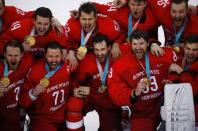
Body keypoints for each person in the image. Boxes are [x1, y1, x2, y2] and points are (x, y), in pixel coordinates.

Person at [107, 29, 178, 131]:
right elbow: (115, 89)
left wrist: (173, 81)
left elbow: (179, 69)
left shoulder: (161, 54)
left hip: (166, 106)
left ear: (148, 43)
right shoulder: (121, 64)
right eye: (135, 44)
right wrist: (133, 93)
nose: (138, 47)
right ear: (130, 44)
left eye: (141, 43)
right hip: (141, 113)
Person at [70, 34, 122, 131]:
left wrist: (152, 44)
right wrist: (74, 90)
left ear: (109, 47)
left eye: (103, 49)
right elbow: (76, 81)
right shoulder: (87, 60)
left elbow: (137, 45)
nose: (99, 53)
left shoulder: (116, 55)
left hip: (109, 100)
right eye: (96, 50)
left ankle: (122, 117)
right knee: (73, 105)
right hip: (91, 97)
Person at [19, 41, 75, 131]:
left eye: (57, 56)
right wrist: (33, 93)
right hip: (42, 119)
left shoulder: (68, 65)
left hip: (63, 117)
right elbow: (22, 101)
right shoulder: (34, 72)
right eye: (50, 56)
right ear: (45, 55)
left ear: (62, 55)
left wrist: (72, 53)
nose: (54, 60)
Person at [65, 2, 125, 69]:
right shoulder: (72, 26)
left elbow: (122, 33)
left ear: (96, 18)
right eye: (84, 19)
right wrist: (71, 52)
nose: (87, 23)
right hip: (84, 55)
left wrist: (115, 45)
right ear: (79, 18)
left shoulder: (109, 26)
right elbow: (67, 40)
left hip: (102, 53)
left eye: (90, 19)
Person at [0, 7, 68, 59]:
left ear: (51, 23)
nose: (42, 27)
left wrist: (67, 50)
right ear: (34, 21)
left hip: (43, 64)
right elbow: (2, 43)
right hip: (23, 61)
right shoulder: (21, 27)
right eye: (39, 23)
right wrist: (19, 48)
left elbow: (70, 43)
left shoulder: (58, 31)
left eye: (45, 24)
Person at [0, 40, 33, 131]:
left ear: (22, 55)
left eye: (16, 55)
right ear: (5, 55)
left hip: (16, 111)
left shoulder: (27, 61)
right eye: (10, 55)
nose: (13, 59)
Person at [168, 34, 198, 127]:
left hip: (194, 108)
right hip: (177, 103)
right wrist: (172, 83)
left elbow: (195, 90)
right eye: (188, 49)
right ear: (183, 48)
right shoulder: (179, 57)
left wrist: (180, 71)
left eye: (194, 50)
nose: (190, 53)